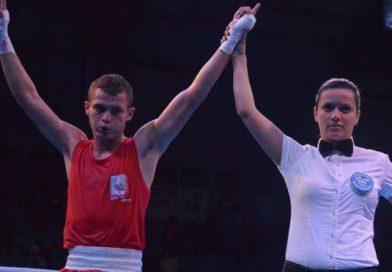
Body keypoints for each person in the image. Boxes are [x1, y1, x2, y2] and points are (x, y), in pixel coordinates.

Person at [0, 1, 260, 271]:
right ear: (87, 108)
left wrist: (230, 41)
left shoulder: (145, 147)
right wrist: (2, 32)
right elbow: (27, 97)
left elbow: (192, 96)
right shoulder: (73, 144)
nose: (106, 118)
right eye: (99, 109)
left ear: (130, 114)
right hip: (75, 265)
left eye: (115, 111)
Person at [224, 6, 392, 272]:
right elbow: (246, 111)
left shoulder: (379, 162)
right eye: (328, 108)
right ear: (316, 114)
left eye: (345, 109)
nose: (336, 115)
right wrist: (239, 54)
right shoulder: (295, 156)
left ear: (357, 116)